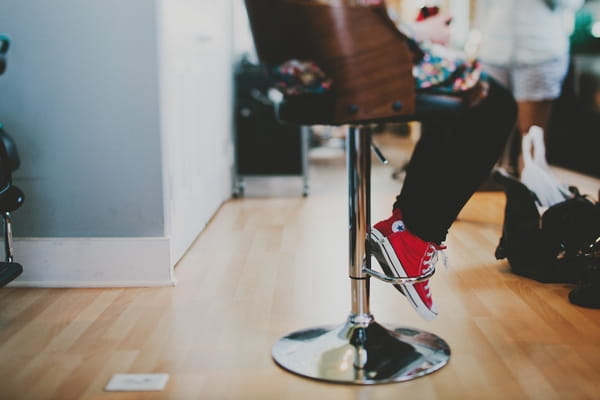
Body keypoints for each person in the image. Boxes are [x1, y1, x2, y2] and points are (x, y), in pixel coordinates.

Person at [361, 1, 517, 321]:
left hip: (330, 63)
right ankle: (417, 237)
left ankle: (404, 225)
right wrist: (419, 32)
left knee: (455, 103)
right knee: (493, 103)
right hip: (351, 66)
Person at [473, 0, 584, 174]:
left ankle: (528, 193)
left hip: (538, 52)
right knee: (488, 131)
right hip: (493, 51)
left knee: (531, 136)